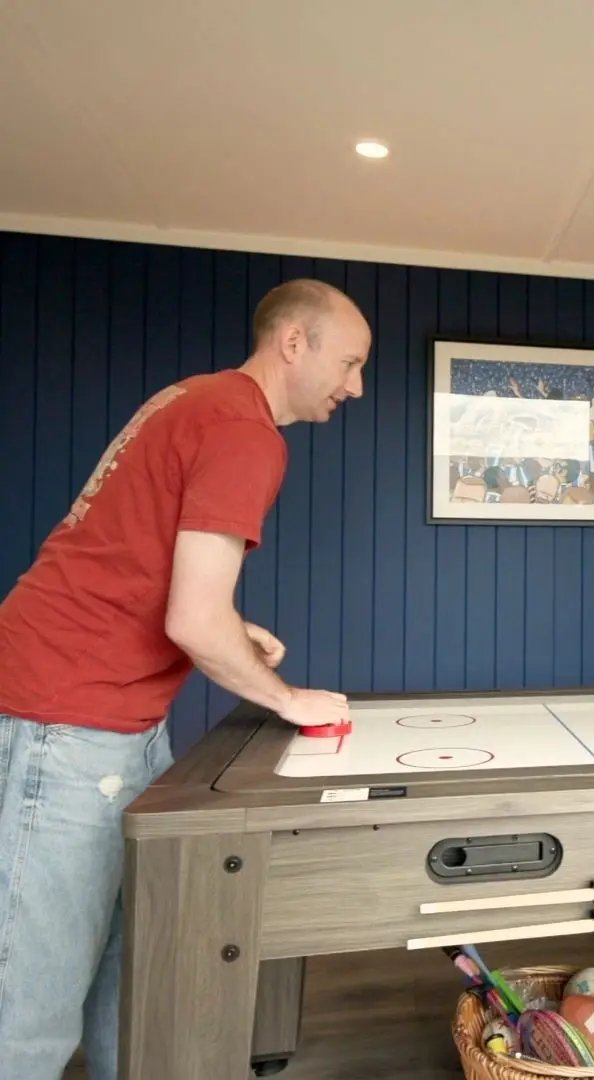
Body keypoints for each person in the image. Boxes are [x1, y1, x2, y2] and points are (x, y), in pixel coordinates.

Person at [0, 278, 370, 1078]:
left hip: (107, 720)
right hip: (65, 719)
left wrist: (234, 631)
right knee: (28, 1008)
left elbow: (148, 567)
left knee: (134, 968)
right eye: (349, 363)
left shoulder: (195, 398)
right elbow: (193, 621)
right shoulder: (245, 431)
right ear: (294, 343)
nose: (356, 386)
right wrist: (287, 698)